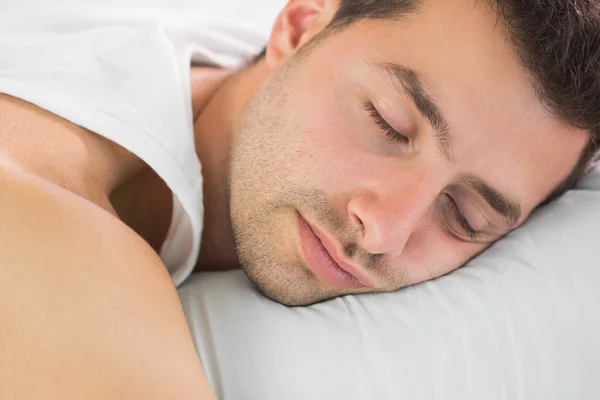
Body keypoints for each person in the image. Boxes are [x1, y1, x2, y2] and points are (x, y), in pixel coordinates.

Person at [0, 0, 598, 398]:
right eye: (389, 124)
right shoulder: (42, 210)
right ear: (299, 24)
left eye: (465, 216)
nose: (383, 232)